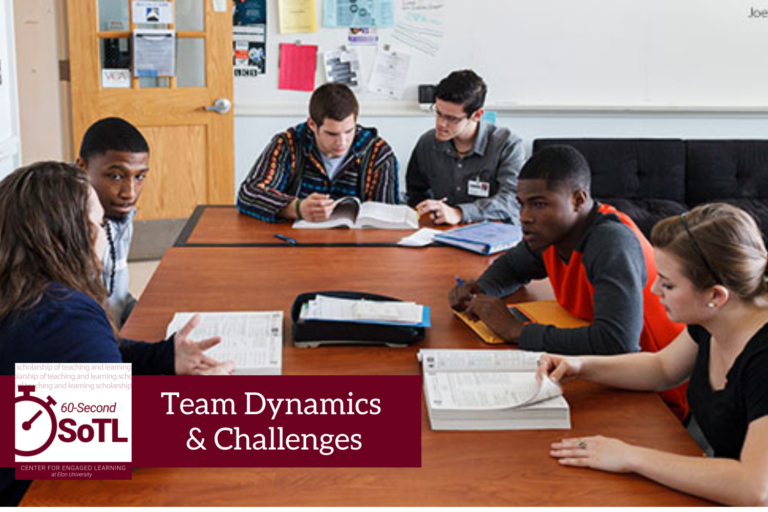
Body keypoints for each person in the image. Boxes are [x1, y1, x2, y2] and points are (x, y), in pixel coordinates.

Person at [0, 162, 233, 506]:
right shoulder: (60, 312)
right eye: (98, 222)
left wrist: (164, 357)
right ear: (73, 233)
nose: (103, 233)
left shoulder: (22, 294)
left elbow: (91, 356)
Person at [539, 203, 768, 506]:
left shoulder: (762, 359)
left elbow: (755, 489)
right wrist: (580, 366)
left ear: (716, 295)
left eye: (669, 283)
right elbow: (662, 368)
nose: (655, 289)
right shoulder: (717, 318)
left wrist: (631, 457)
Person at [449, 145, 687, 420]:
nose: (525, 216)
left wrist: (517, 331)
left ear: (578, 200)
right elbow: (513, 265)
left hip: (657, 393)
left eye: (539, 204)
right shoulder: (554, 232)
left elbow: (617, 342)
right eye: (521, 204)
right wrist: (480, 291)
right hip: (606, 370)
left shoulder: (610, 242)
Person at [237, 82, 399, 223]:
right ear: (312, 125)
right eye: (332, 134)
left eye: (349, 131)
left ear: (356, 121)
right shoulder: (288, 144)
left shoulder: (379, 153)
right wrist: (297, 208)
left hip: (356, 248)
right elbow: (248, 193)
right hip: (295, 245)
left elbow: (387, 217)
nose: (342, 142)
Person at [406, 70, 525, 225]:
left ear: (477, 115)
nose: (440, 124)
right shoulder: (428, 143)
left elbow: (511, 200)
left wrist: (460, 213)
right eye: (438, 113)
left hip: (493, 232)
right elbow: (416, 193)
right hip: (443, 231)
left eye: (452, 118)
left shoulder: (507, 145)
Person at [76, 117, 150, 327]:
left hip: (107, 341)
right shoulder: (58, 228)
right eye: (116, 176)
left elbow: (118, 301)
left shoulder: (121, 217)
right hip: (72, 355)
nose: (129, 193)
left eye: (139, 177)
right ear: (82, 168)